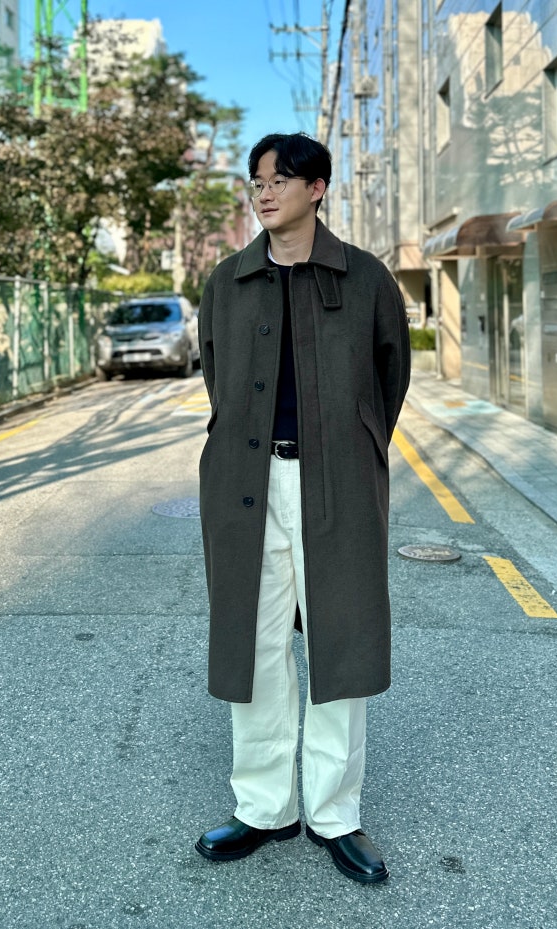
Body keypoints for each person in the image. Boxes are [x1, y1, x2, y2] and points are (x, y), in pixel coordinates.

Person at [194, 132, 410, 883]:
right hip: (243, 486)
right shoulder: (227, 280)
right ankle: (263, 808)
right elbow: (217, 379)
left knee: (338, 645)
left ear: (317, 188)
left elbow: (390, 376)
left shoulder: (366, 277)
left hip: (338, 485)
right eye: (256, 180)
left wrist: (353, 445)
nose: (263, 191)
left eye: (279, 178)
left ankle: (334, 814)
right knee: (253, 647)